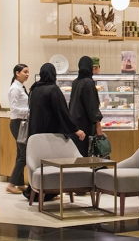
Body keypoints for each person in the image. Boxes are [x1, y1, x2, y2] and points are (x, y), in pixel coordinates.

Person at [24, 63, 85, 201]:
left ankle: (35, 190)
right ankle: (49, 191)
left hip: (35, 131)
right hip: (49, 131)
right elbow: (62, 112)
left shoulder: (35, 88)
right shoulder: (53, 89)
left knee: (39, 162)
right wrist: (75, 129)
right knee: (51, 162)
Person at [69, 56, 103, 156]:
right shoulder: (88, 82)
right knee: (86, 154)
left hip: (75, 125)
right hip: (85, 125)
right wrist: (98, 124)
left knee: (77, 154)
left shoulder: (75, 82)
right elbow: (92, 106)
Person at [6, 63, 29, 194]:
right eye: (25, 72)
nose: (27, 74)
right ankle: (11, 183)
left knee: (20, 153)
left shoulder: (21, 87)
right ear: (17, 73)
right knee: (25, 154)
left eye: (28, 72)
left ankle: (19, 183)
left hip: (22, 122)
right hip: (18, 123)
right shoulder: (15, 89)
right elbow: (14, 108)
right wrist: (30, 111)